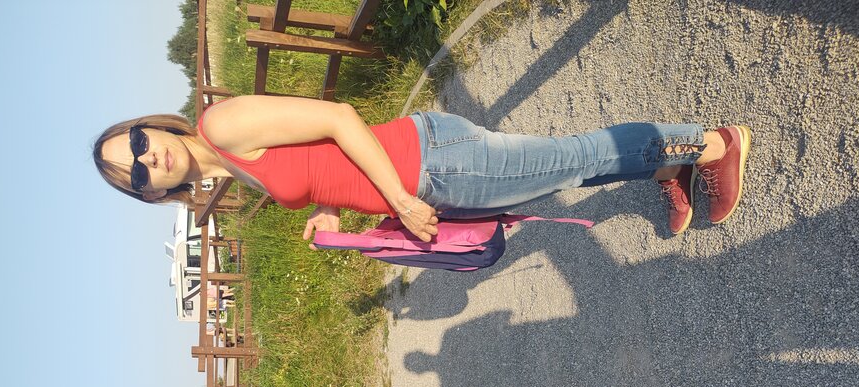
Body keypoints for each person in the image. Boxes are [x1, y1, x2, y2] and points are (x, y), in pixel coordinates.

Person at [94, 95, 750, 242]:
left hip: (431, 164)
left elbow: (340, 118)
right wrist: (327, 207)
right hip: (426, 175)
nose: (151, 157)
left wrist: (402, 202)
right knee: (564, 174)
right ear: (150, 193)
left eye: (140, 142)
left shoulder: (219, 127)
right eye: (139, 172)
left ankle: (713, 146)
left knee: (574, 156)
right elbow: (317, 160)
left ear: (153, 127)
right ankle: (666, 170)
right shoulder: (225, 167)